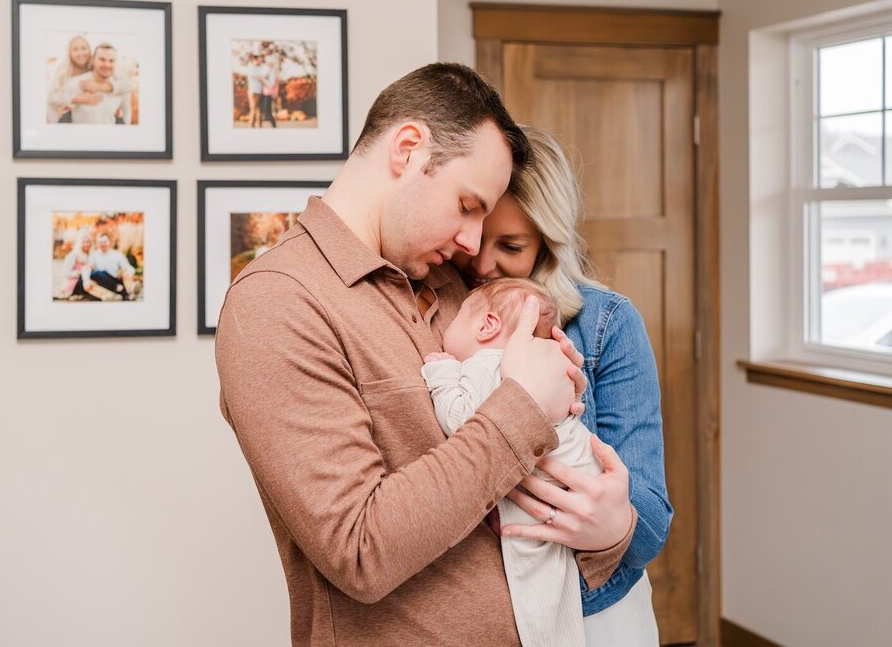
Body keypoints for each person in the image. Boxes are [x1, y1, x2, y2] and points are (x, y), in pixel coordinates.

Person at [216, 63, 635, 647]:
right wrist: (522, 406)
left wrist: (612, 531)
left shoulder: (454, 289)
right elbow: (358, 550)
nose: (472, 243)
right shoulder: (277, 303)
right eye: (467, 205)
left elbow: (537, 505)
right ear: (408, 150)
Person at [449, 126, 671, 646]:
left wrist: (612, 526)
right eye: (479, 240)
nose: (484, 265)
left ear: (549, 244)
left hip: (593, 614)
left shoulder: (605, 325)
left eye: (511, 246)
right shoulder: (439, 312)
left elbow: (653, 519)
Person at [422, 276, 602, 647]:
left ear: (487, 326)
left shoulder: (487, 363)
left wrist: (441, 374)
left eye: (456, 318)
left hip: (538, 500)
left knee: (535, 606)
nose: (446, 328)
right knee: (558, 606)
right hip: (574, 485)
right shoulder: (544, 366)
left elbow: (462, 423)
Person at [68, 43, 131, 125]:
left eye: (111, 61)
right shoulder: (78, 82)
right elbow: (53, 99)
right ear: (93, 60)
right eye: (102, 59)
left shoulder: (122, 87)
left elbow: (127, 114)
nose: (107, 65)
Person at [82, 233, 139, 301]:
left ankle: (130, 291)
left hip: (116, 279)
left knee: (125, 271)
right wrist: (86, 280)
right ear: (97, 243)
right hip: (102, 282)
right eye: (100, 242)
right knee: (96, 275)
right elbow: (87, 269)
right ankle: (114, 296)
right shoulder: (93, 255)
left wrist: (129, 272)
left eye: (105, 242)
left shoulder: (117, 254)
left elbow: (128, 267)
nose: (102, 244)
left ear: (109, 242)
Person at [57, 231, 95, 299]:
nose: (86, 244)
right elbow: (64, 273)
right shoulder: (74, 255)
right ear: (80, 243)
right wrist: (79, 272)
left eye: (88, 242)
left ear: (91, 243)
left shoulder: (91, 256)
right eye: (84, 242)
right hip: (73, 283)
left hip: (85, 282)